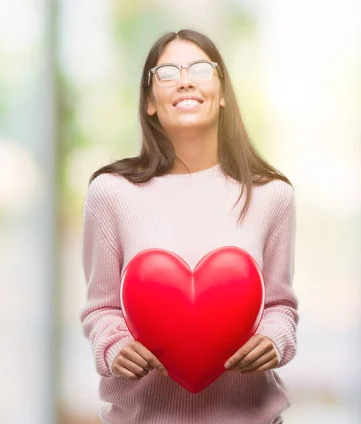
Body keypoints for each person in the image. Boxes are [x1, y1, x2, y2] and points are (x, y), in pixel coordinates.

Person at [80, 29, 298, 424]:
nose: (185, 79)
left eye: (200, 68)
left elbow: (280, 306)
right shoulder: (110, 193)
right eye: (167, 72)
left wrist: (274, 340)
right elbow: (102, 309)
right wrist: (114, 347)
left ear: (223, 92)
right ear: (149, 100)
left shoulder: (272, 195)